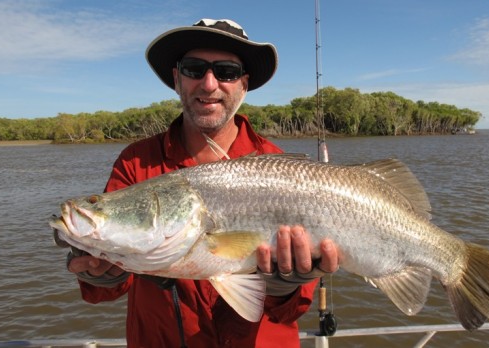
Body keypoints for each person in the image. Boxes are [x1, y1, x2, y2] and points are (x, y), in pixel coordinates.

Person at [65, 18, 339, 348]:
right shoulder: (136, 161)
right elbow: (105, 289)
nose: (209, 84)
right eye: (195, 69)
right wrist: (100, 272)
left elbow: (288, 311)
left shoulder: (279, 166)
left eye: (226, 71)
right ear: (177, 78)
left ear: (243, 85)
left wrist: (287, 287)